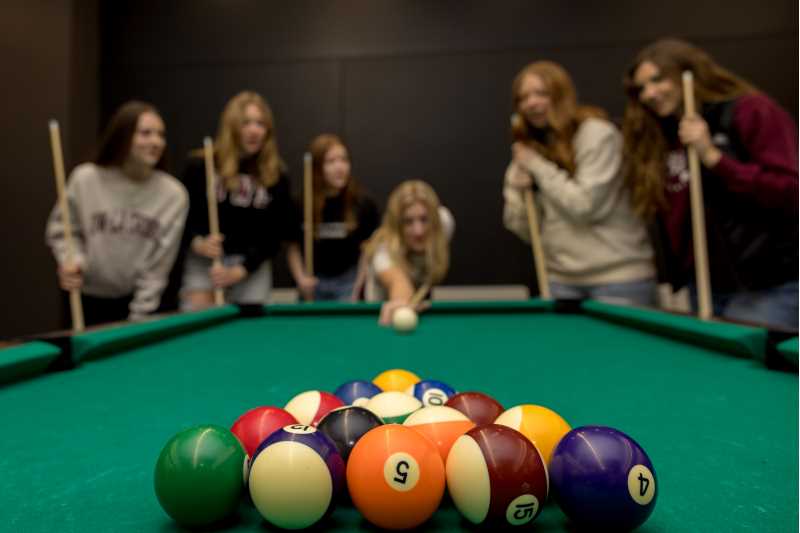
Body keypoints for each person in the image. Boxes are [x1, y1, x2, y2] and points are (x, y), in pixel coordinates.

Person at [622, 38, 798, 329]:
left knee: (748, 375)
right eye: (641, 88)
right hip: (703, 286)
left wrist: (713, 156)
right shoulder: (664, 135)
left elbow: (789, 191)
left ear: (689, 72)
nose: (649, 94)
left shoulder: (750, 111)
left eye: (657, 80)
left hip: (767, 287)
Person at [503, 61, 656, 305]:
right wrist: (520, 194)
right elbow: (525, 231)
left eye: (541, 93)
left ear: (562, 95)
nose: (531, 103)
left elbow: (585, 206)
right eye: (523, 98)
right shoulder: (529, 153)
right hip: (560, 281)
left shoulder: (596, 134)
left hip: (619, 279)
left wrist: (538, 167)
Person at [46, 100, 188, 326]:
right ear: (122, 136)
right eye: (145, 133)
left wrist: (138, 318)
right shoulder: (85, 179)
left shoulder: (174, 195)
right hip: (83, 298)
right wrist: (72, 259)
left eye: (161, 134)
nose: (156, 142)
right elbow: (62, 231)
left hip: (134, 304)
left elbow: (158, 267)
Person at [180, 91, 300, 309]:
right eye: (246, 123)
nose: (254, 130)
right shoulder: (201, 165)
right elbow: (180, 219)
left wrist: (242, 269)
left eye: (260, 124)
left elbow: (275, 235)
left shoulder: (277, 176)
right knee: (199, 330)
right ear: (232, 126)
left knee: (251, 337)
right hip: (205, 264)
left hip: (251, 267)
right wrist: (197, 243)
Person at [287, 134, 380, 301]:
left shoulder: (362, 202)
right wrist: (301, 279)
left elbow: (368, 249)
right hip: (312, 281)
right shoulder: (301, 203)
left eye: (344, 160)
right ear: (316, 168)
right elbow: (292, 247)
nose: (340, 167)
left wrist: (358, 288)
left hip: (348, 281)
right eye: (331, 161)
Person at [363, 180, 454, 325]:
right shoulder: (383, 249)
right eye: (408, 222)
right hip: (383, 316)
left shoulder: (443, 224)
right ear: (397, 225)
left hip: (419, 307)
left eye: (424, 220)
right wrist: (402, 302)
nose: (419, 231)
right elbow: (397, 281)